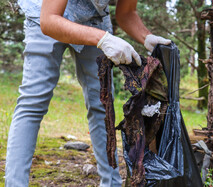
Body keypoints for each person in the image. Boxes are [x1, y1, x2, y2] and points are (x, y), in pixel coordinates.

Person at [5, 0, 171, 186]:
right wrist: (103, 39)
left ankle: (111, 183)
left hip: (94, 20)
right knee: (33, 102)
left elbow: (126, 12)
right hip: (45, 14)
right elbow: (49, 20)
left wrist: (146, 36)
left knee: (102, 104)